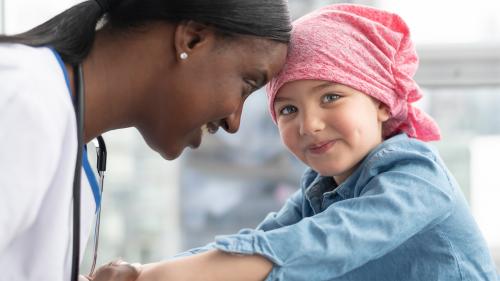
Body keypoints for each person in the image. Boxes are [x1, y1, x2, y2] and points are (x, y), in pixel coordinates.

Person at [117, 4, 499, 281]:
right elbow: (259, 242)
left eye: (330, 97)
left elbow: (313, 246)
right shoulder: (321, 191)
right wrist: (141, 271)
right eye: (287, 110)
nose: (310, 124)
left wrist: (146, 278)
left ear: (381, 101)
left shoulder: (417, 179)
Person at [0, 0, 291, 280]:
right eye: (247, 83)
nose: (234, 122)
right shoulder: (24, 102)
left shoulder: (57, 123)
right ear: (192, 40)